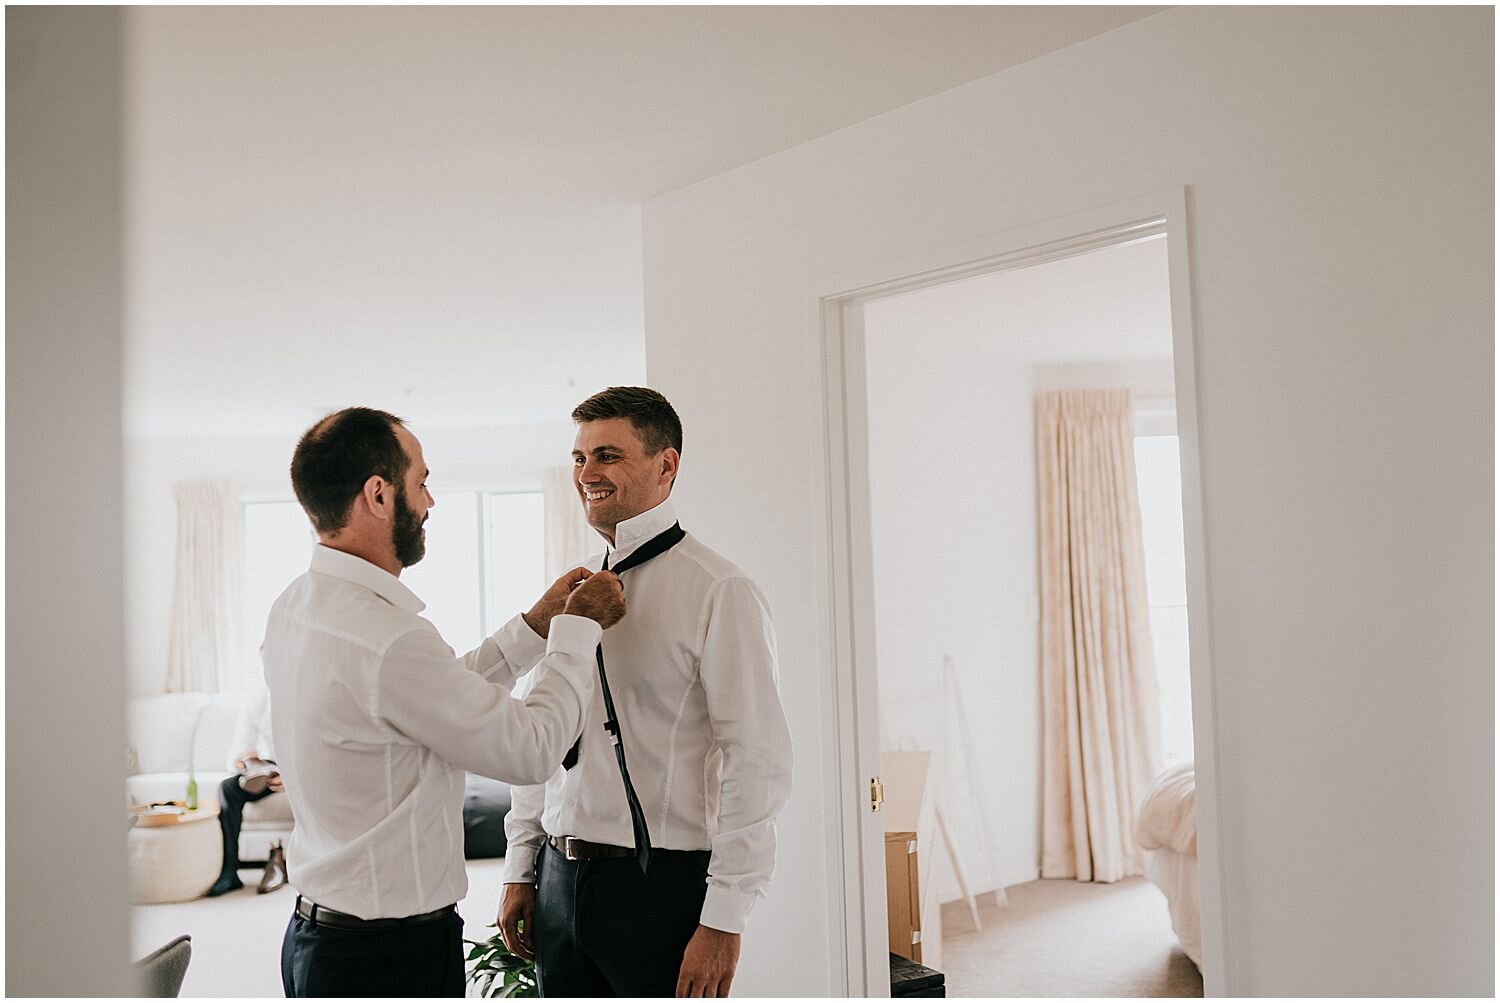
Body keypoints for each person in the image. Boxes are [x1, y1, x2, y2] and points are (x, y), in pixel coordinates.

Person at [263, 406, 626, 998]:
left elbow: (422, 704)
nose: (430, 502)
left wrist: (534, 627)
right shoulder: (388, 639)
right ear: (379, 495)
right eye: (422, 482)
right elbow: (531, 751)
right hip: (385, 960)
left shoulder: (298, 605)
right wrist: (576, 632)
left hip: (322, 939)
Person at [498, 387, 793, 998]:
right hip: (558, 879)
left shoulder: (719, 590)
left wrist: (723, 919)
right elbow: (544, 734)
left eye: (608, 455)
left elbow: (758, 760)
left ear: (666, 466)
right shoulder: (570, 594)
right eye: (579, 458)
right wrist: (520, 868)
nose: (587, 473)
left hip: (659, 886)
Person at [206, 685, 288, 896]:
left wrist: (291, 777)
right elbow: (237, 750)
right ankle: (229, 872)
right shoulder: (257, 700)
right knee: (228, 788)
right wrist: (240, 761)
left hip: (298, 769)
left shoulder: (306, 691)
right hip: (264, 769)